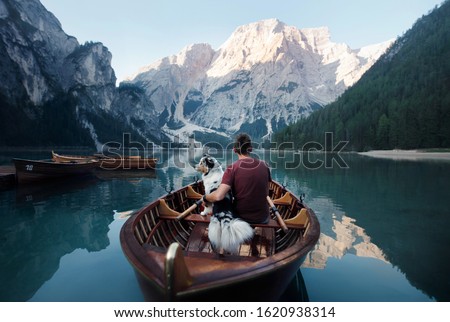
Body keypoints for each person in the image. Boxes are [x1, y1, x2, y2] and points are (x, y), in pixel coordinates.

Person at [203, 133, 271, 224]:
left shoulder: (232, 168)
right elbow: (267, 192)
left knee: (221, 203)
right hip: (263, 218)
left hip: (240, 218)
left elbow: (218, 196)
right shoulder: (265, 165)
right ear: (250, 149)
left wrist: (205, 198)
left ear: (234, 150)